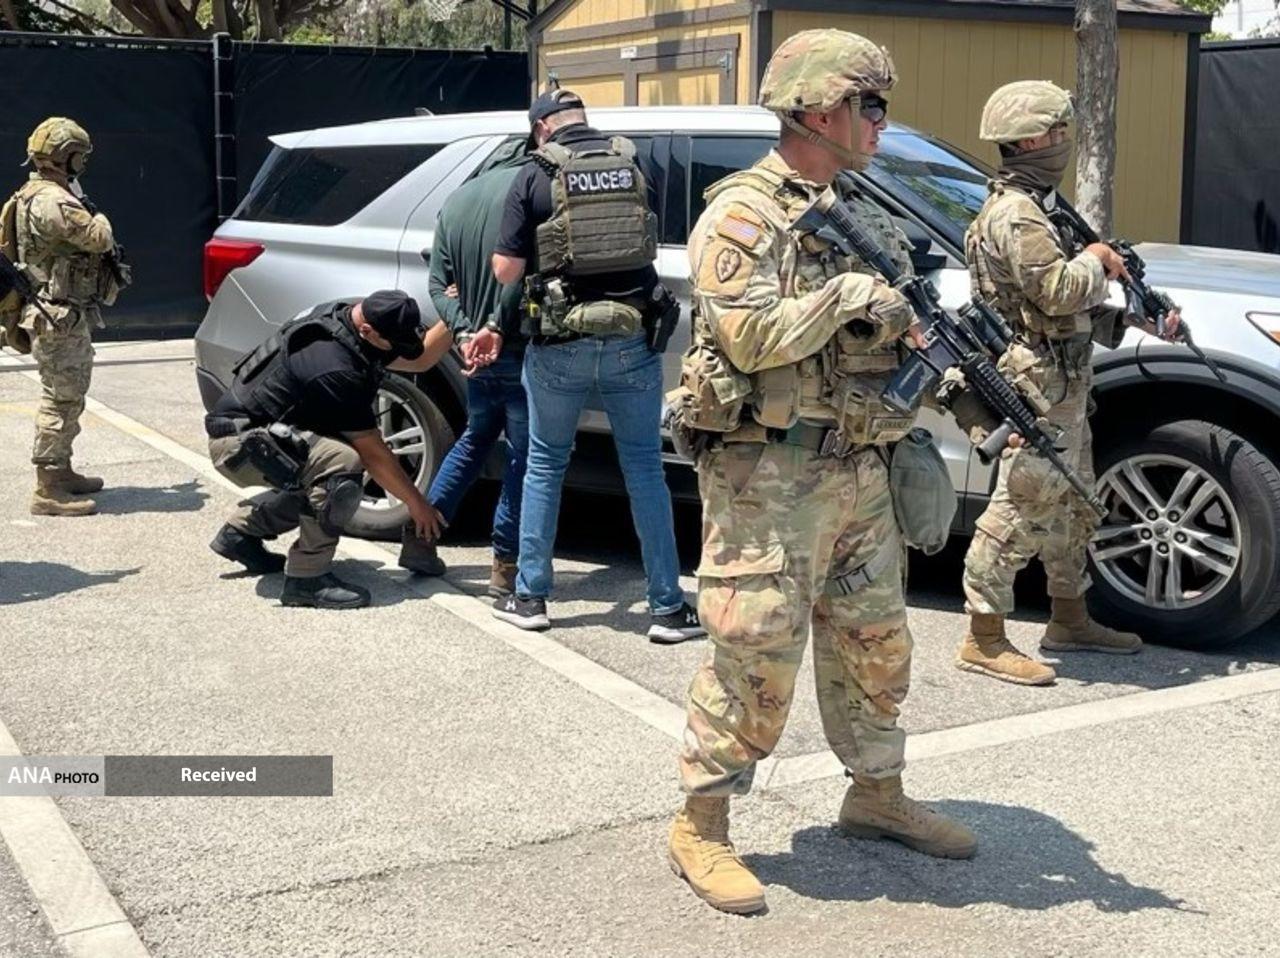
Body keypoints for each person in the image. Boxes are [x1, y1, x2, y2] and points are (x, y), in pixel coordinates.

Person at [665, 29, 980, 916]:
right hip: (771, 475)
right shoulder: (744, 215)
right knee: (754, 651)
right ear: (816, 111)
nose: (880, 122)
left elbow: (894, 324)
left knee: (877, 643)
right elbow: (746, 337)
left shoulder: (858, 210)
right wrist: (845, 298)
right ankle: (701, 824)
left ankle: (876, 795)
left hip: (859, 468)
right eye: (868, 105)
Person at [956, 81, 1180, 686]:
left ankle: (1070, 619)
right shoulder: (1016, 214)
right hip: (1038, 383)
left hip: (1063, 376)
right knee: (1022, 505)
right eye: (1056, 131)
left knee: (1073, 504)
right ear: (1029, 140)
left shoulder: (1038, 206)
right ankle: (983, 636)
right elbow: (1055, 291)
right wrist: (1097, 260)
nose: (1063, 141)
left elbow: (1058, 311)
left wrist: (1132, 319)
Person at [488, 88, 704, 643]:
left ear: (542, 128)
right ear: (583, 120)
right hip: (633, 338)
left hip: (561, 341)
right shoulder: (631, 162)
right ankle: (667, 608)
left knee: (544, 464)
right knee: (646, 470)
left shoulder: (535, 174)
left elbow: (506, 271)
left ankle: (531, 597)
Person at [205, 290, 450, 609]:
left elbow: (420, 358)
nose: (397, 350)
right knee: (341, 465)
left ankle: (241, 533)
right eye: (393, 343)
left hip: (268, 436)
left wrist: (455, 310)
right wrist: (417, 504)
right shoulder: (335, 365)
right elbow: (374, 455)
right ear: (367, 330)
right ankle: (307, 579)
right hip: (239, 445)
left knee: (322, 467)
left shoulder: (352, 321)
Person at [398, 159, 531, 598]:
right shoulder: (528, 192)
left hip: (474, 348)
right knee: (523, 457)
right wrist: (495, 326)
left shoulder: (457, 200)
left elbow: (437, 286)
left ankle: (421, 537)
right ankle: (505, 565)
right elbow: (520, 274)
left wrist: (464, 332)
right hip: (518, 346)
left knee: (475, 438)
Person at [7, 117, 128, 517]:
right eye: (80, 155)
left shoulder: (35, 193)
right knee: (60, 398)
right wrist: (102, 217)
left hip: (58, 312)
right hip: (56, 314)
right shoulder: (53, 200)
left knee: (69, 394)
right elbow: (98, 238)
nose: (83, 163)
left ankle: (62, 471)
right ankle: (48, 488)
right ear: (65, 157)